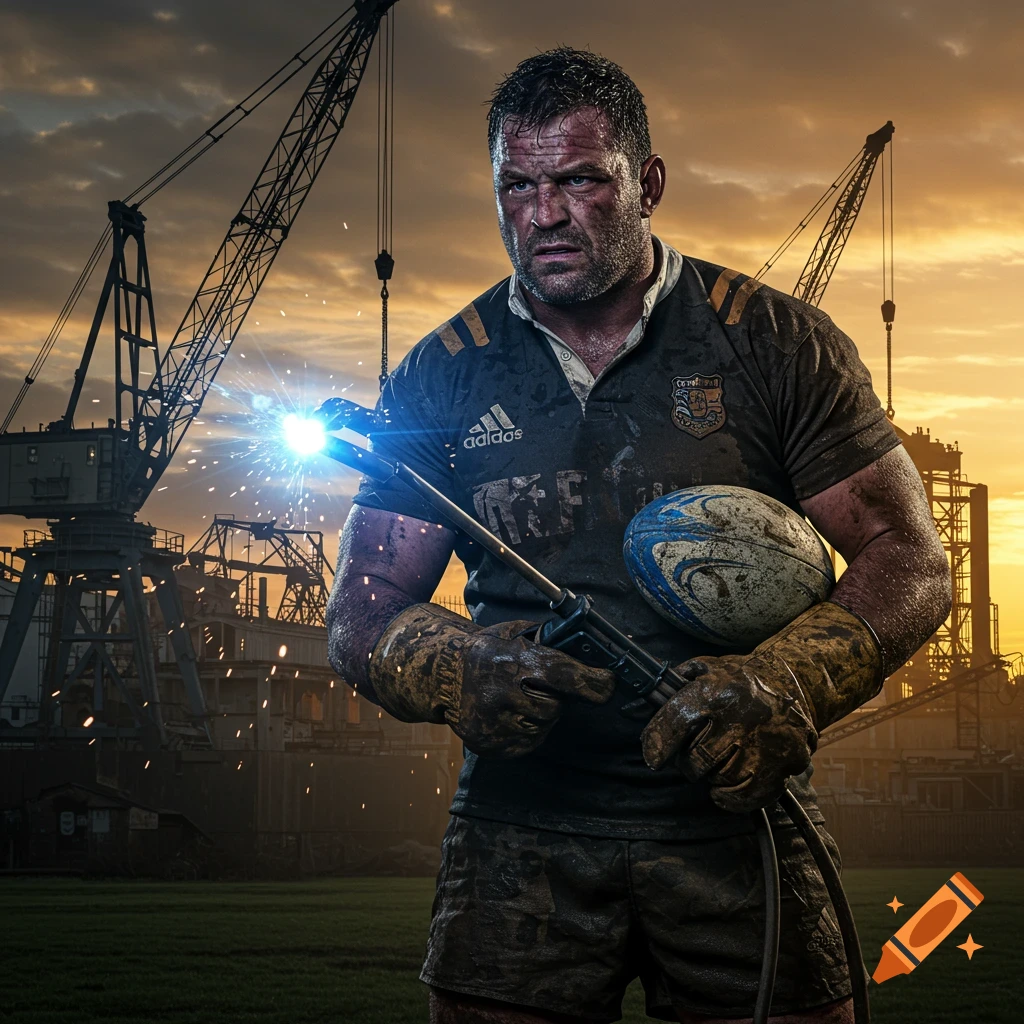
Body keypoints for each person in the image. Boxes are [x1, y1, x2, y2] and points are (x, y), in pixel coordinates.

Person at [326, 48, 951, 1024]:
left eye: (579, 180)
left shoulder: (773, 343)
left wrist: (785, 681)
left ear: (646, 182)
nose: (542, 215)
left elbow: (908, 558)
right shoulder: (443, 373)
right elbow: (360, 606)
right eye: (517, 186)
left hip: (737, 814)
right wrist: (453, 665)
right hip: (520, 829)